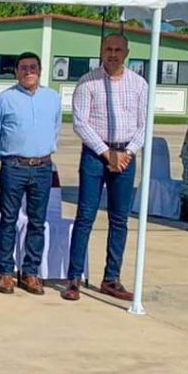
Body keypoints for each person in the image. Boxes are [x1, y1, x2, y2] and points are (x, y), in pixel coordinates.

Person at [64, 34, 147, 302]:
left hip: (125, 155)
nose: (112, 54)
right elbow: (80, 122)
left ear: (127, 52)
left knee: (119, 219)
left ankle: (111, 278)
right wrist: (105, 152)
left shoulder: (139, 84)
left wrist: (126, 153)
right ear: (101, 50)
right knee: (85, 216)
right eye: (108, 49)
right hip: (95, 155)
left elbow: (145, 124)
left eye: (118, 50)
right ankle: (74, 277)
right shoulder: (88, 82)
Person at [0, 51, 61, 296]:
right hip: (14, 167)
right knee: (8, 220)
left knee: (37, 222)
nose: (28, 71)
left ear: (39, 71)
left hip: (42, 167)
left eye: (33, 67)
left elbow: (56, 127)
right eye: (23, 68)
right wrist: (3, 154)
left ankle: (30, 272)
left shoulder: (52, 98)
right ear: (16, 71)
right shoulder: (3, 100)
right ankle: (6, 272)